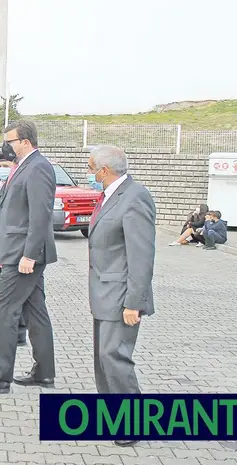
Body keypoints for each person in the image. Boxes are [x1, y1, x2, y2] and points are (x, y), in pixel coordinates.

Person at [0, 120, 57, 394]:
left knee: (4, 311)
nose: (7, 146)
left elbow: (39, 215)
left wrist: (29, 255)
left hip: (24, 256)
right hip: (15, 252)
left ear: (26, 142)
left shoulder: (38, 167)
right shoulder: (24, 167)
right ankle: (44, 373)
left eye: (11, 142)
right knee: (35, 311)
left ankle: (0, 377)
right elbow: (9, 213)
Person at [84, 145, 156, 447]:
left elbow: (141, 254)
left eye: (91, 169)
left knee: (115, 358)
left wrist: (133, 302)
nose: (89, 174)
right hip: (103, 292)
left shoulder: (135, 196)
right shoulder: (109, 196)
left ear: (104, 170)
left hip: (121, 295)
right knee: (103, 359)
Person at [0, 157, 27, 347]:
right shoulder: (1, 186)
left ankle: (17, 332)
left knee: (14, 295)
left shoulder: (15, 186)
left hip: (11, 249)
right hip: (0, 245)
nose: (1, 169)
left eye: (5, 166)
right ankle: (14, 331)